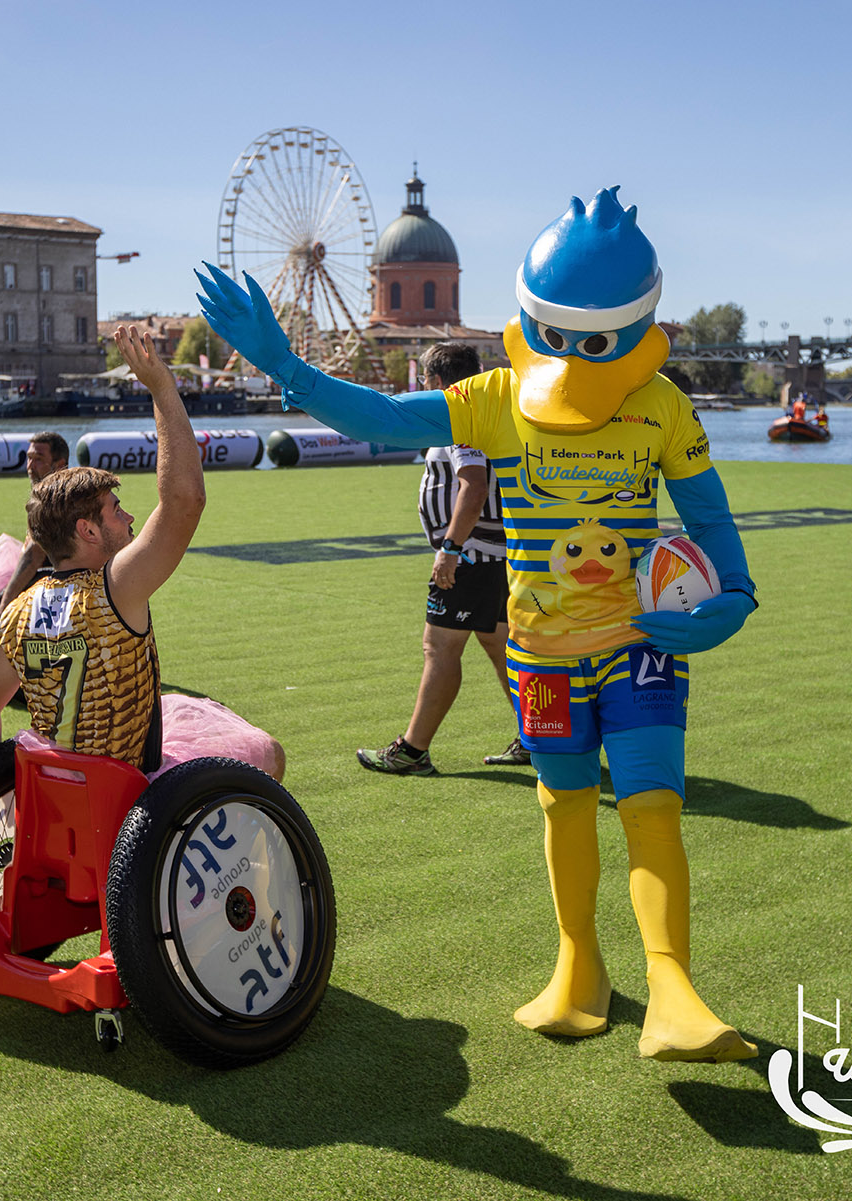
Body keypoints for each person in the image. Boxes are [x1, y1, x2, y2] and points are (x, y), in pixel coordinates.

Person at [198, 184, 759, 1063]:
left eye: (597, 339)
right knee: (563, 802)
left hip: (638, 647)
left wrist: (734, 594)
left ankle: (673, 986)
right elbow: (380, 418)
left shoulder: (662, 409)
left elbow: (711, 517)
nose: (574, 357)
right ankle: (579, 967)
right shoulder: (495, 397)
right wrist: (287, 366)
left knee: (652, 808)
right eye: (560, 334)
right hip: (539, 654)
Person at [0, 326, 284, 781]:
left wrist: (3, 785)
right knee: (267, 753)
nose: (130, 517)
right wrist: (161, 387)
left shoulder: (16, 612)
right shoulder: (115, 587)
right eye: (116, 511)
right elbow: (185, 501)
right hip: (129, 795)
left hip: (58, 791)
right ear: (87, 530)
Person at [357, 341, 528, 775]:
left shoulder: (461, 416)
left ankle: (412, 751)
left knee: (440, 648)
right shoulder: (485, 409)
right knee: (499, 646)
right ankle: (537, 739)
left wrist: (450, 549)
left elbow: (473, 486)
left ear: (434, 382)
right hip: (493, 555)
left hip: (471, 557)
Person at [0, 431, 71, 614]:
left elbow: (34, 554)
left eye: (39, 459)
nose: (31, 466)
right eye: (29, 458)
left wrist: (4, 605)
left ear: (59, 465)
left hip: (51, 580)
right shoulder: (52, 492)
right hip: (44, 572)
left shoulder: (53, 500)